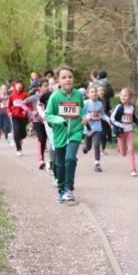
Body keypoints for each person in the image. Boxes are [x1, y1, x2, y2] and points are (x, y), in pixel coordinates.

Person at [45, 65, 85, 204]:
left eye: (70, 77)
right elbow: (48, 115)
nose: (67, 79)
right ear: (58, 80)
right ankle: (61, 189)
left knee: (70, 159)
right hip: (60, 134)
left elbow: (82, 110)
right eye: (64, 77)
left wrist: (84, 117)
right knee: (60, 164)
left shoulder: (78, 95)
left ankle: (69, 189)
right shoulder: (55, 97)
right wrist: (59, 120)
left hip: (75, 132)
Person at [110, 87, 138, 176]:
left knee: (131, 150)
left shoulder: (132, 107)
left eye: (125, 96)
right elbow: (112, 119)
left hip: (129, 131)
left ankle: (133, 169)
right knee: (123, 153)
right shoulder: (119, 107)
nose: (123, 97)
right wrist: (120, 126)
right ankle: (119, 146)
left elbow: (133, 117)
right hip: (121, 132)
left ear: (130, 98)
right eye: (121, 95)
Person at [81, 83, 108, 172]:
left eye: (95, 91)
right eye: (92, 92)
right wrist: (87, 117)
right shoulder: (85, 103)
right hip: (87, 129)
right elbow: (81, 115)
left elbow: (102, 115)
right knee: (88, 147)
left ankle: (97, 164)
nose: (94, 93)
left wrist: (109, 121)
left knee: (96, 145)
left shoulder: (99, 104)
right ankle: (85, 147)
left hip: (97, 128)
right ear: (88, 94)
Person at [7, 80, 30, 156]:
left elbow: (29, 105)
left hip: (23, 117)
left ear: (22, 86)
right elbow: (9, 106)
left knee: (23, 133)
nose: (19, 86)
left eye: (20, 85)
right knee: (16, 132)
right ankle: (18, 149)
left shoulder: (25, 95)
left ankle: (20, 139)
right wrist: (9, 112)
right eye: (17, 85)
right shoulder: (12, 96)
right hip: (15, 116)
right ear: (15, 86)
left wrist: (26, 111)